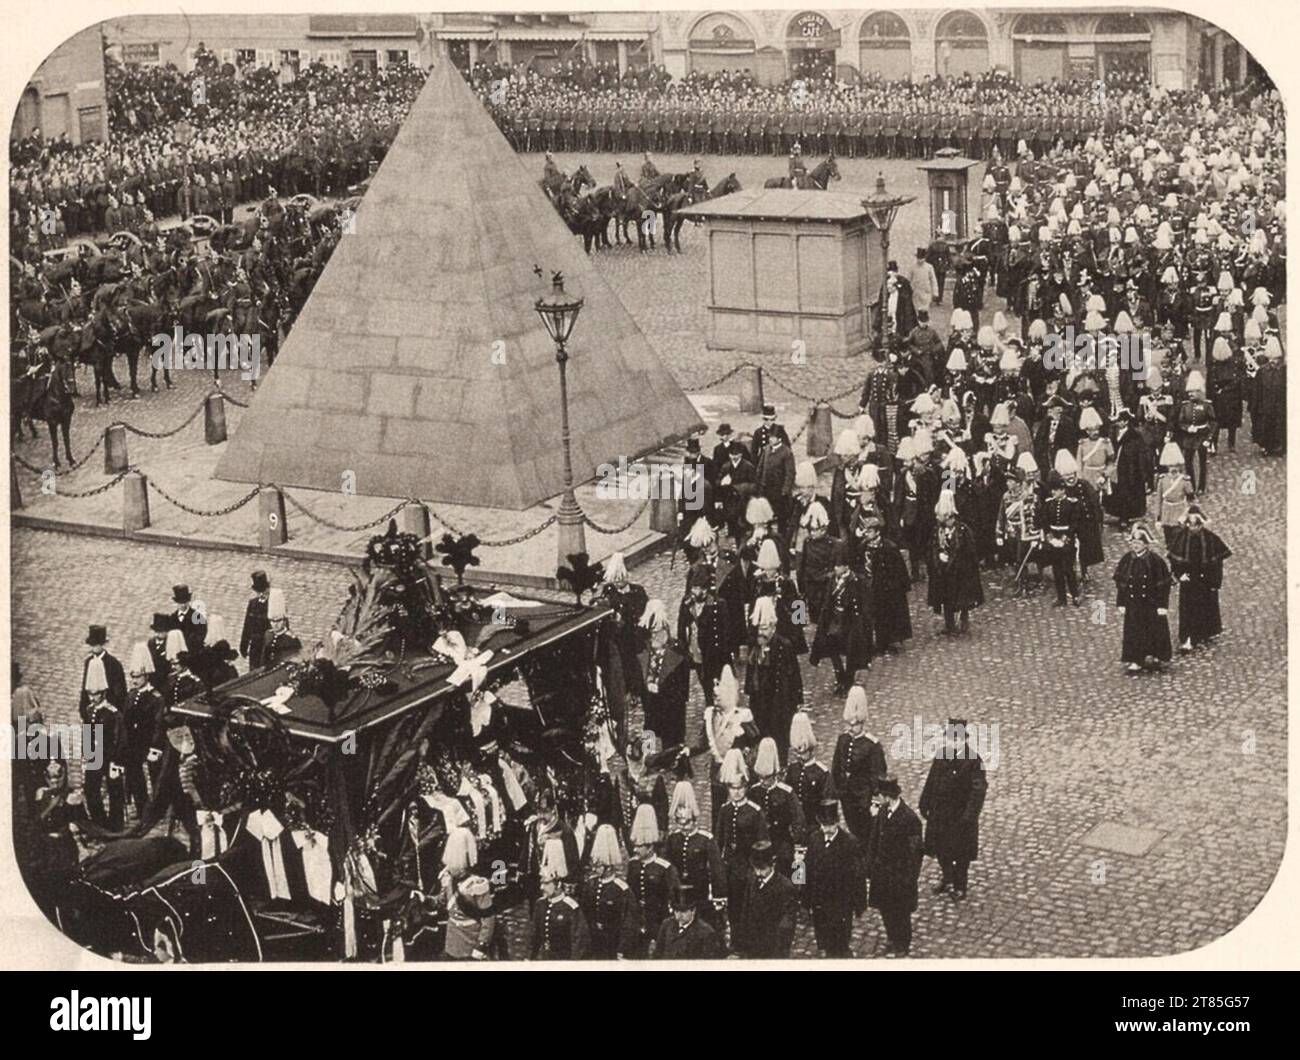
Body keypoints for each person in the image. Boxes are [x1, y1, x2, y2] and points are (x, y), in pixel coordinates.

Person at [918, 720, 988, 901]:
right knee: (941, 849)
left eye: (957, 738)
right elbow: (932, 780)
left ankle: (960, 885)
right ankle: (947, 877)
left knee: (961, 854)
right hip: (940, 814)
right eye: (950, 738)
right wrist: (924, 803)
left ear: (964, 739)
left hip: (960, 817)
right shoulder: (942, 756)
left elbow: (978, 791)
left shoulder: (974, 761)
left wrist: (969, 816)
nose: (953, 742)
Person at [715, 748, 769, 944]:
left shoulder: (755, 812)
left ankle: (750, 941)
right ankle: (737, 940)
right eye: (732, 788)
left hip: (748, 866)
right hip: (730, 866)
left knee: (750, 906)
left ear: (746, 787)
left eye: (740, 788)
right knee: (734, 907)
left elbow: (762, 841)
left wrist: (757, 867)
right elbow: (719, 841)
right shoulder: (724, 810)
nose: (736, 792)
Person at [866, 777, 923, 958]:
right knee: (885, 908)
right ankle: (892, 938)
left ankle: (902, 944)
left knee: (900, 913)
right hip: (882, 874)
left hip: (900, 877)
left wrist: (908, 878)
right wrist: (871, 866)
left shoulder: (909, 819)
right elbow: (874, 840)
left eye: (879, 795)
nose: (876, 799)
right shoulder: (883, 812)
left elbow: (915, 854)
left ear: (887, 796)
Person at [804, 799, 867, 958]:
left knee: (839, 939)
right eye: (825, 825)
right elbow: (804, 867)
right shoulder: (814, 839)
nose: (828, 829)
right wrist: (803, 895)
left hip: (841, 902)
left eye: (832, 825)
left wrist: (859, 904)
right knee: (824, 936)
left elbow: (858, 876)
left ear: (838, 822)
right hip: (819, 900)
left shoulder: (850, 843)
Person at [1165, 504, 1231, 653]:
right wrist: (1179, 575)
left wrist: (1214, 582)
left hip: (1204, 581)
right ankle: (1188, 637)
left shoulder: (1210, 539)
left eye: (1196, 525)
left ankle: (1202, 633)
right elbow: (1175, 560)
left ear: (1201, 524)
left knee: (1204, 607)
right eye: (1190, 524)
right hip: (1188, 580)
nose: (1193, 528)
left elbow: (1217, 563)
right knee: (1187, 608)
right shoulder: (1181, 538)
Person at [744, 597, 804, 758]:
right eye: (759, 629)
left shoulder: (784, 646)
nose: (760, 633)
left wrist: (798, 700)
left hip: (779, 703)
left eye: (764, 629)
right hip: (760, 702)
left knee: (780, 740)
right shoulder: (755, 647)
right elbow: (751, 674)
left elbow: (794, 675)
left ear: (773, 627)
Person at [810, 538, 872, 693]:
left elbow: (864, 606)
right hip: (834, 620)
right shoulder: (832, 581)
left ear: (846, 566)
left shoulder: (856, 581)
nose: (835, 569)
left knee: (852, 652)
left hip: (851, 622)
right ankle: (840, 675)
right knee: (831, 647)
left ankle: (848, 680)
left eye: (838, 566)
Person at [664, 780, 727, 930]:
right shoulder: (673, 839)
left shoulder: (706, 839)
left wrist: (718, 895)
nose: (683, 828)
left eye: (686, 824)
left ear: (694, 821)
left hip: (700, 889)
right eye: (680, 823)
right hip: (679, 887)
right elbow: (668, 866)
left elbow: (716, 869)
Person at [1114, 523, 1173, 674]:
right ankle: (1135, 659)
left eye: (1138, 543)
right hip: (1133, 604)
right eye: (1133, 543)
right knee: (1134, 631)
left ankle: (1155, 655)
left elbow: (1163, 585)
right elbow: (1121, 583)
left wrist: (1162, 605)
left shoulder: (1155, 561)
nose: (1135, 546)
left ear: (1146, 544)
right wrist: (1121, 602)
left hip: (1151, 604)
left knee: (1154, 630)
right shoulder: (1127, 559)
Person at [829, 686, 886, 842]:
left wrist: (874, 799)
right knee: (852, 827)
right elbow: (837, 766)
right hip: (847, 796)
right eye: (849, 725)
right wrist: (836, 790)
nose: (851, 728)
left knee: (865, 833)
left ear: (862, 722)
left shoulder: (872, 745)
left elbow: (877, 774)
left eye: (854, 725)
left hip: (863, 797)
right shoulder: (843, 739)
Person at [676, 563, 733, 712]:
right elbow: (681, 625)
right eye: (694, 588)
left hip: (714, 654)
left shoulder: (718, 605)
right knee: (705, 684)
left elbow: (726, 632)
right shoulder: (687, 603)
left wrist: (724, 652)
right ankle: (710, 708)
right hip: (696, 652)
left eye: (700, 588)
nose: (696, 592)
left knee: (716, 686)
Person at [927, 488, 983, 633]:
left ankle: (964, 618)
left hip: (960, 569)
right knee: (945, 596)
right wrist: (939, 556)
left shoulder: (962, 531)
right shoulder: (937, 531)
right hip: (944, 568)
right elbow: (933, 547)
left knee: (961, 596)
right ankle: (949, 623)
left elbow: (969, 553)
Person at [635, 599, 689, 748]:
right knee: (650, 727)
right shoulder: (645, 646)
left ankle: (671, 755)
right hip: (652, 696)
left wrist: (681, 697)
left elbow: (683, 680)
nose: (655, 636)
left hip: (670, 699)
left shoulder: (675, 649)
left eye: (657, 632)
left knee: (671, 731)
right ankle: (648, 755)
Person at [580, 824, 639, 960]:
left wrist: (622, 948)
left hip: (613, 942)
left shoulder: (621, 889)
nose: (595, 868)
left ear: (608, 867)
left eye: (599, 865)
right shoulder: (591, 885)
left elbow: (628, 923)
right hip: (594, 942)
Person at [627, 804, 679, 957]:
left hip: (658, 920)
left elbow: (674, 896)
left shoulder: (665, 868)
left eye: (639, 846)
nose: (635, 850)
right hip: (637, 920)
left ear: (650, 847)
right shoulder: (633, 864)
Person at [748, 737, 803, 879]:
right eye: (760, 778)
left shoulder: (786, 792)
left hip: (782, 842)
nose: (763, 782)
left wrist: (793, 840)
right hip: (760, 843)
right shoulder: (754, 791)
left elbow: (798, 819)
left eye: (767, 778)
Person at [735, 840, 799, 959]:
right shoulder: (752, 879)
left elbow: (787, 924)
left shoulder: (785, 887)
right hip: (753, 943)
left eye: (762, 869)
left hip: (772, 946)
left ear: (773, 864)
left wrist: (779, 952)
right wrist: (743, 940)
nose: (758, 873)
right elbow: (746, 909)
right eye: (756, 868)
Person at [529, 837, 589, 960]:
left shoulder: (571, 908)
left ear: (558, 885)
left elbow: (579, 941)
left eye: (546, 883)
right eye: (541, 883)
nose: (541, 887)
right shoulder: (540, 904)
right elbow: (535, 936)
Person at [1039, 473, 1083, 607]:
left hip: (1066, 539)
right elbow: (1045, 522)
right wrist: (1051, 539)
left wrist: (1064, 539)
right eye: (1052, 490)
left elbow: (1074, 524)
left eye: (1056, 490)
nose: (1053, 492)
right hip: (1053, 540)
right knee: (1056, 570)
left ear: (1063, 490)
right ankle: (1061, 597)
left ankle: (1075, 595)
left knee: (1068, 570)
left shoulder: (1072, 504)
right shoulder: (1048, 504)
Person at [1104, 410, 1151, 528]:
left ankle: (1125, 517)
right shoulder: (1113, 433)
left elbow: (1141, 455)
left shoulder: (1135, 435)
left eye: (1120, 421)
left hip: (1130, 469)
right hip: (1117, 467)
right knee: (1116, 492)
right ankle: (1118, 514)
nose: (1118, 423)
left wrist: (1142, 473)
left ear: (1126, 422)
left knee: (1127, 493)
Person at [654, 884, 724, 959]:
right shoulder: (666, 925)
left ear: (693, 910)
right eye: (676, 911)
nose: (679, 915)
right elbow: (657, 954)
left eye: (683, 911)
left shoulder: (706, 932)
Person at [1175, 370, 1215, 493]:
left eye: (1194, 391)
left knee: (1202, 463)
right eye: (1190, 392)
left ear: (1200, 391)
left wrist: (1209, 439)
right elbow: (1180, 422)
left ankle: (1201, 486)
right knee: (1188, 463)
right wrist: (1187, 428)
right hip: (1189, 438)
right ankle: (1191, 485)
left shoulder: (1207, 405)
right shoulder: (1185, 405)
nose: (1191, 394)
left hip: (1201, 436)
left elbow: (1213, 423)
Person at [240, 570, 271, 668]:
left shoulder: (272, 604)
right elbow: (247, 625)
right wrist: (244, 644)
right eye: (259, 592)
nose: (261, 594)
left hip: (267, 644)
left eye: (263, 591)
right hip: (255, 645)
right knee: (254, 668)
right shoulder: (252, 603)